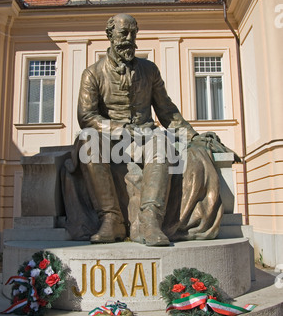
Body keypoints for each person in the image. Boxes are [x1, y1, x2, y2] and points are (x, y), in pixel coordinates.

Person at [64, 13, 233, 246]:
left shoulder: (149, 70)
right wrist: (121, 129)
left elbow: (167, 112)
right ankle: (110, 219)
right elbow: (87, 116)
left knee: (161, 142)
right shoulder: (93, 73)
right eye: (124, 33)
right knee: (87, 142)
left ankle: (150, 220)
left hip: (145, 137)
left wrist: (193, 136)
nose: (130, 39)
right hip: (109, 138)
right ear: (110, 35)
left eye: (134, 33)